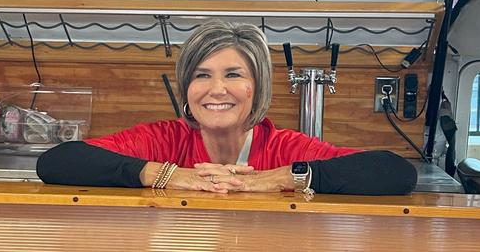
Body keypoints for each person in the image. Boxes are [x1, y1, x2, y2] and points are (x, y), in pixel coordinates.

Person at [36, 20, 416, 196]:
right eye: (201, 75)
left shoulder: (285, 148)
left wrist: (280, 178)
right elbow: (57, 162)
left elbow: (396, 173)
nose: (216, 89)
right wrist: (166, 174)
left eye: (233, 74)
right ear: (187, 89)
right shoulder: (163, 140)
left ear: (257, 87)